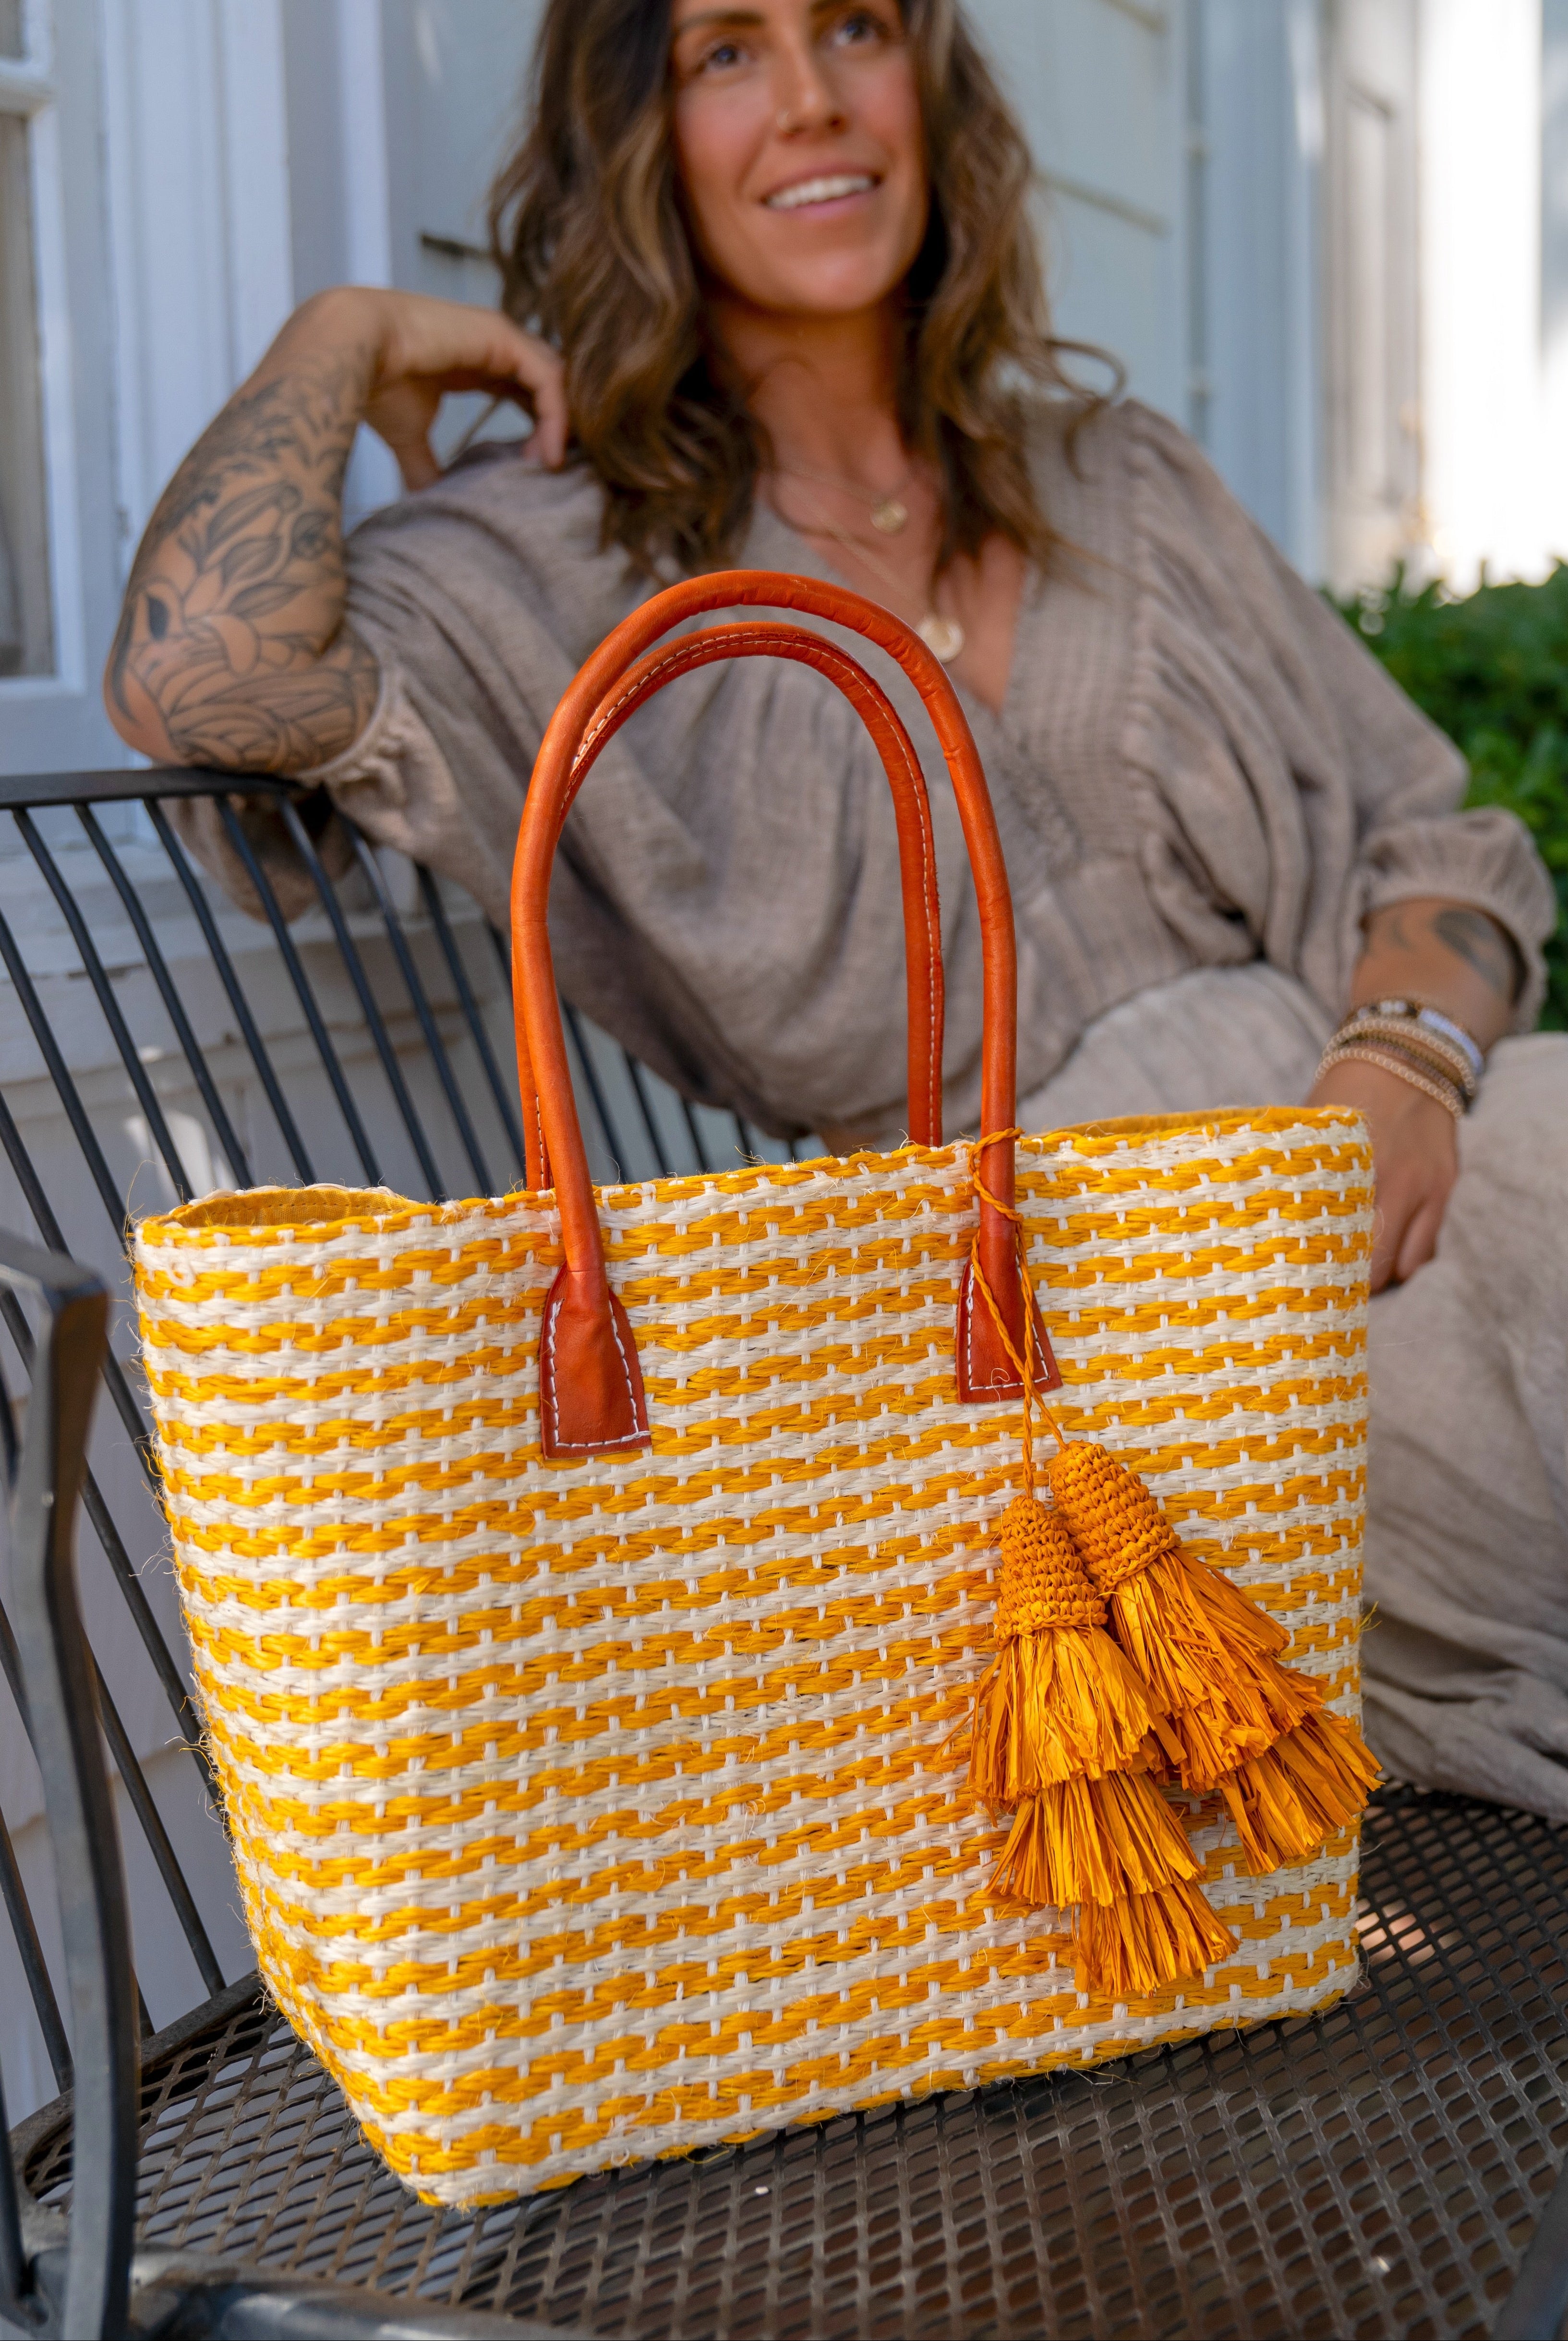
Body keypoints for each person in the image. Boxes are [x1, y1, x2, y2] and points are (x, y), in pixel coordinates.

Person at [104, 0, 1564, 1818]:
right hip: (1063, 1333)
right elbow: (202, 679)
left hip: (1398, 1164)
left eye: (854, 26)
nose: (810, 100)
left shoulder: (1120, 480)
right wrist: (338, 336)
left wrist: (1406, 1064)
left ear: (927, 88)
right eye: (726, 50)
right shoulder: (555, 568)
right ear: (639, 135)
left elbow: (1433, 849)